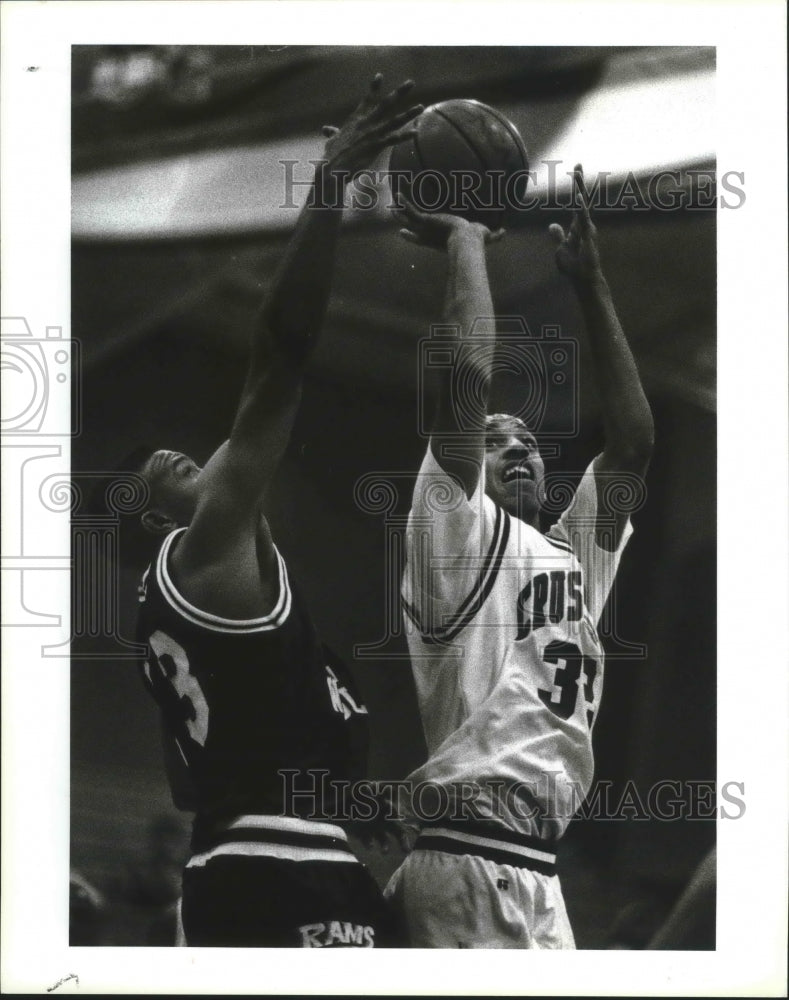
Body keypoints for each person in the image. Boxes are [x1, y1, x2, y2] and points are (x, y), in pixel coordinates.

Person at [128, 74, 422, 947]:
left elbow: (208, 777)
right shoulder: (204, 550)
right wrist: (327, 186)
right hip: (270, 866)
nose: (174, 457)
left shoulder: (239, 589)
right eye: (156, 475)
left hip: (269, 852)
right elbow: (278, 361)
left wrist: (343, 798)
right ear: (162, 524)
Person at [384, 166, 654, 948]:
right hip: (469, 857)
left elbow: (631, 445)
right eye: (495, 440)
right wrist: (465, 242)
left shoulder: (569, 558)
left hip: (540, 869)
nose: (515, 447)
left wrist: (591, 284)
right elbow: (464, 384)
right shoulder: (455, 536)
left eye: (528, 441)